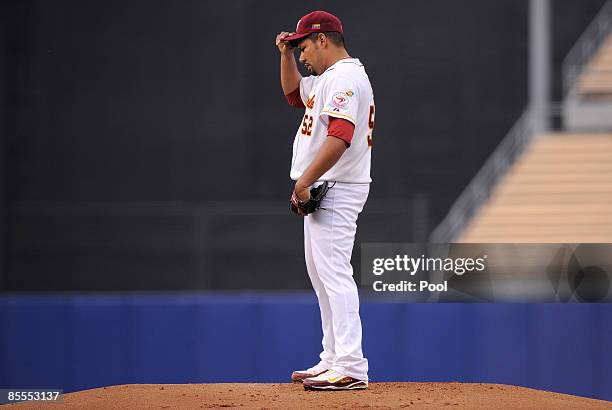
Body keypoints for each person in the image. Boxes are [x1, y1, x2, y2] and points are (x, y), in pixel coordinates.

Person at [275, 10, 375, 391]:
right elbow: (291, 95)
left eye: (302, 47)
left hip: (335, 185)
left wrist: (305, 181)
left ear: (322, 39)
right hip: (324, 186)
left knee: (333, 273)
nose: (301, 56)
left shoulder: (346, 77)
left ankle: (350, 364)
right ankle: (333, 357)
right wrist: (284, 55)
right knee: (321, 274)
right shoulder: (327, 79)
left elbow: (340, 136)